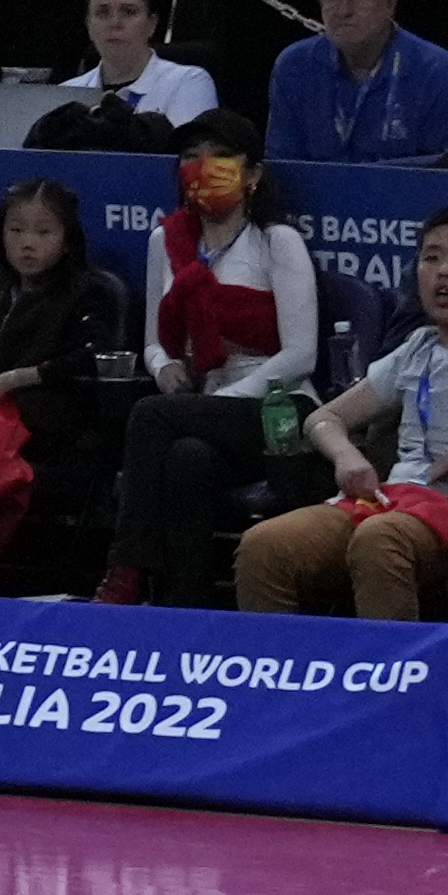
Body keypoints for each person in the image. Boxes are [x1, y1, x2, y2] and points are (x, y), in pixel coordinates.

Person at [234, 207, 448, 616]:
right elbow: (321, 418)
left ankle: (394, 678)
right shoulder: (415, 349)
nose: (443, 272)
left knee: (381, 539)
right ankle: (280, 675)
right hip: (394, 499)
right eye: (431, 258)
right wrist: (347, 456)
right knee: (264, 546)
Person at [97, 119, 325, 605]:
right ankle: (185, 609)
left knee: (150, 414)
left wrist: (223, 399)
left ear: (253, 174)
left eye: (219, 155)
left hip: (279, 408)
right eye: (190, 155)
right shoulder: (167, 241)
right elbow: (156, 341)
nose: (203, 167)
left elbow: (301, 354)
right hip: (202, 412)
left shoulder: (276, 241)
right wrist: (162, 368)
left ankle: (127, 567)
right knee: (186, 461)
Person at [0, 177, 137, 591]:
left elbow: (93, 356)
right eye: (15, 231)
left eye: (43, 232)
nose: (27, 243)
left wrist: (19, 378)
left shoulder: (89, 292)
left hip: (45, 426)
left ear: (67, 239)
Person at [265, 0, 448, 165]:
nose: (344, 10)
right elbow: (281, 170)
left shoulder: (435, 71)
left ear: (389, 2)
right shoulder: (294, 66)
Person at [58, 0, 220, 135]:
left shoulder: (188, 83)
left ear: (152, 24)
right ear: (89, 26)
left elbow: (185, 155)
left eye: (129, 12)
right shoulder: (65, 94)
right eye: (103, 13)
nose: (115, 23)